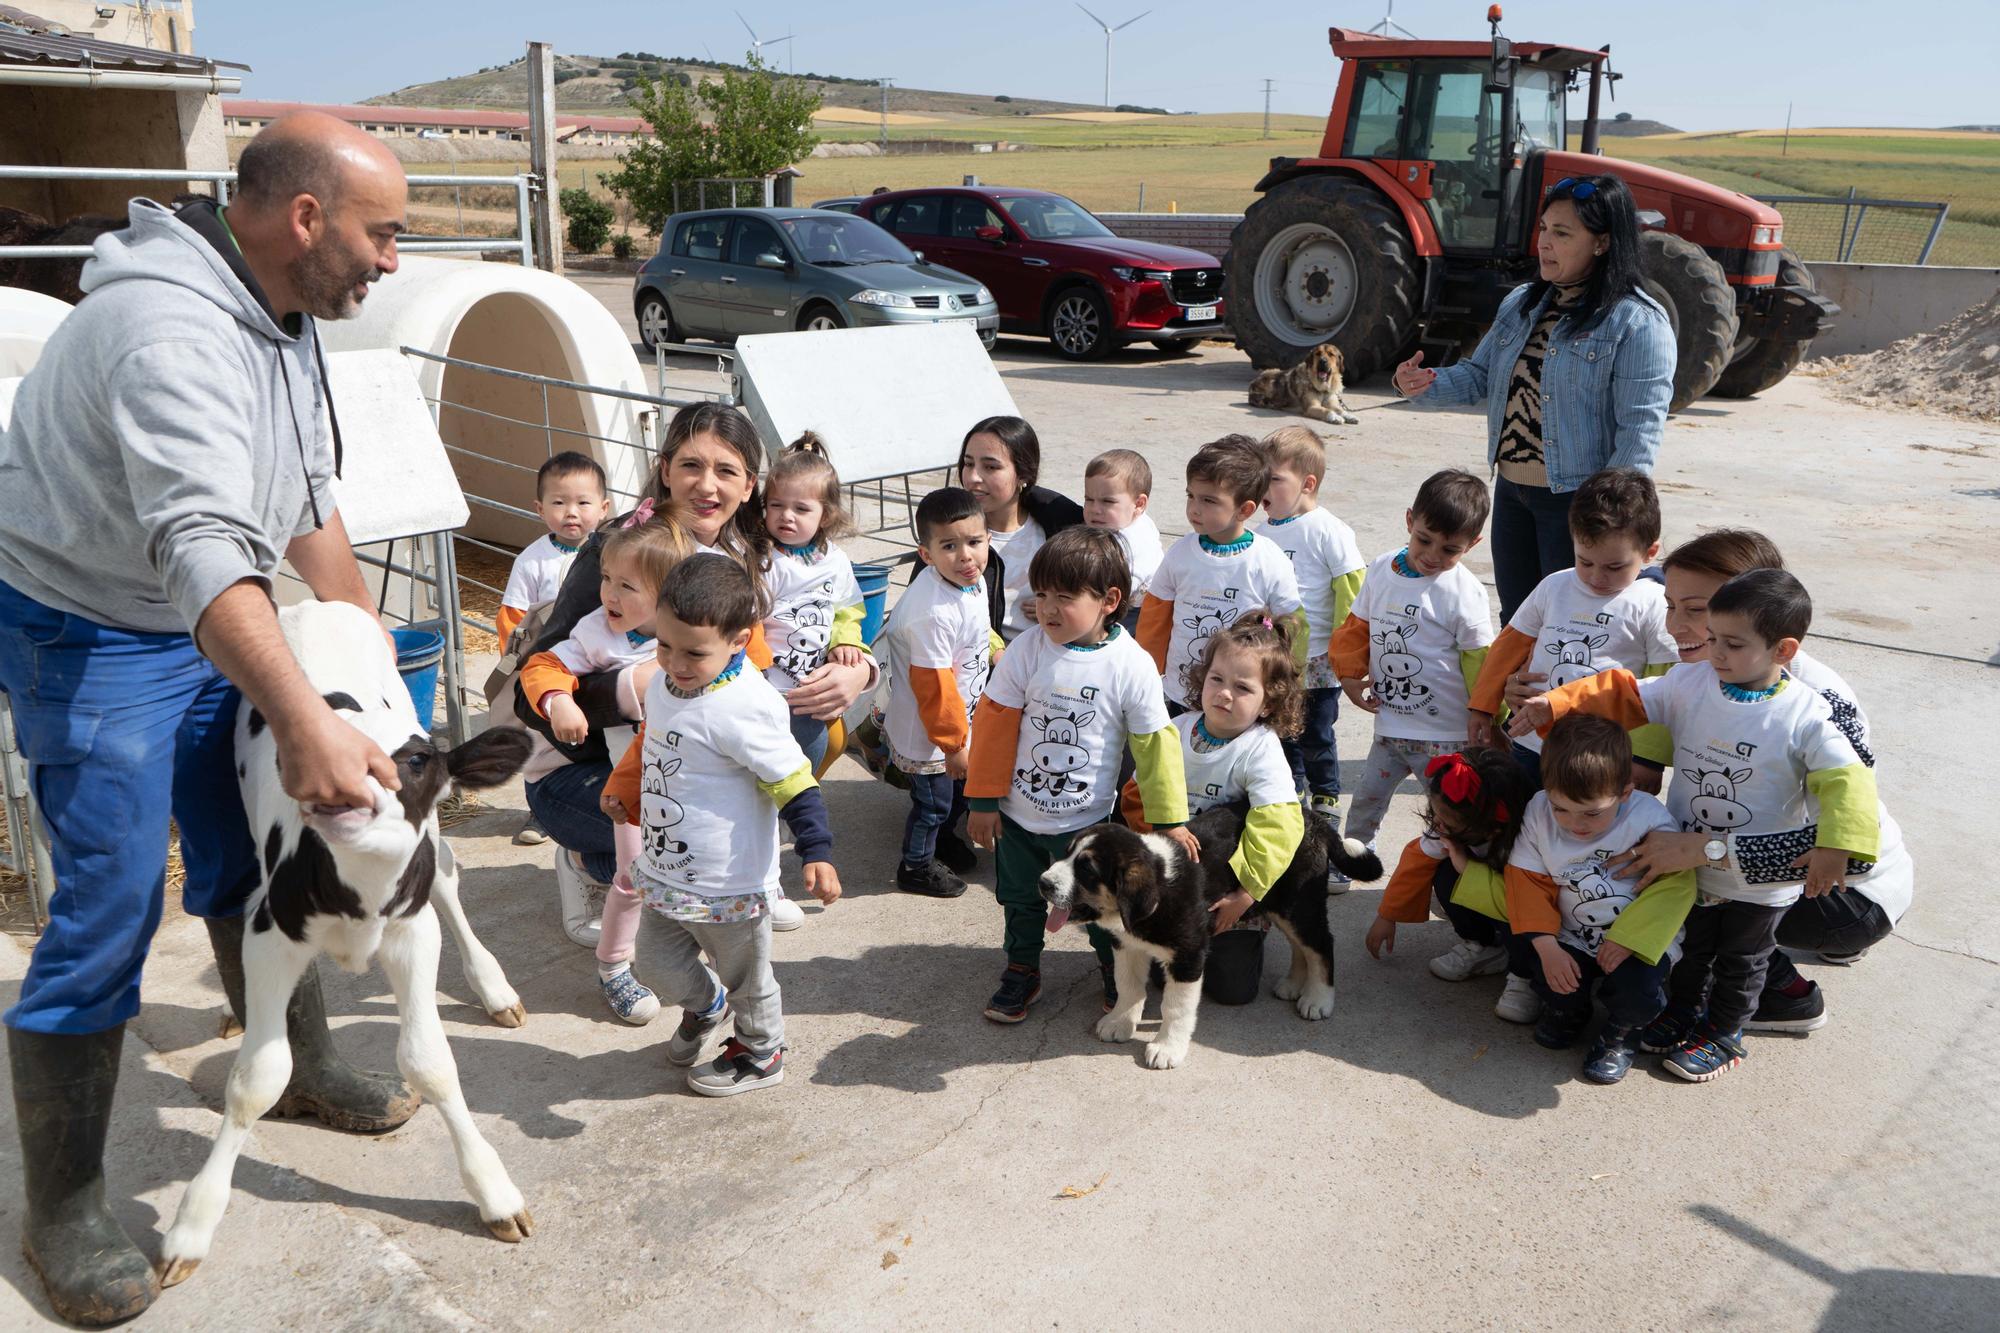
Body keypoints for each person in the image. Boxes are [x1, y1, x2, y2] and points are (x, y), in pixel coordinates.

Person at [0, 112, 413, 1324]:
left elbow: (302, 498)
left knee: (242, 852)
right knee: (112, 900)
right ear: (304, 219)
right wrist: (298, 715)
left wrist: (358, 663)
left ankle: (292, 1061)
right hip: (93, 621)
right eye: (382, 234)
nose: (393, 261)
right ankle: (65, 1205)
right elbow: (194, 541)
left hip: (202, 605)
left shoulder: (280, 310)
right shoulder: (169, 330)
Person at [1516, 529, 1913, 1035]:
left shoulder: (1817, 705)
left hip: (1844, 894)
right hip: (1733, 853)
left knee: (1718, 935)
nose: (1674, 626)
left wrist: (1703, 853)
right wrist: (1550, 700)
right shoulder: (1709, 675)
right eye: (1669, 605)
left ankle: (1785, 997)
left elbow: (1851, 847)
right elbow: (1631, 707)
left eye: (1695, 609)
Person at [522, 403, 879, 936]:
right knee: (684, 825)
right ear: (664, 470)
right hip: (586, 766)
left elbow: (821, 609)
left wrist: (860, 669)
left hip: (678, 748)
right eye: (691, 466)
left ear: (749, 484)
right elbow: (532, 692)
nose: (706, 486)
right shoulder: (624, 550)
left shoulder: (753, 546)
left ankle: (743, 878)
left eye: (726, 471)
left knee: (794, 727)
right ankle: (584, 864)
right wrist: (632, 687)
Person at [598, 555, 841, 1097]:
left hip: (729, 885)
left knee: (749, 982)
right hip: (665, 871)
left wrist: (816, 851)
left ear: (739, 639)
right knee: (656, 964)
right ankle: (706, 1008)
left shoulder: (746, 707)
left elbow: (794, 782)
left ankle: (761, 1052)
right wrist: (625, 791)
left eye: (693, 652)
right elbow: (656, 744)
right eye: (664, 645)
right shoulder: (665, 686)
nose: (675, 662)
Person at [1392, 174, 1676, 623]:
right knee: (1520, 622)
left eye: (1562, 233)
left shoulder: (1637, 322)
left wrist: (1612, 520)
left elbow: (1640, 430)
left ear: (1602, 243)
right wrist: (1424, 383)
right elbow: (1479, 376)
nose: (1544, 242)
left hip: (1577, 504)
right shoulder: (1523, 303)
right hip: (1512, 495)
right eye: (1544, 228)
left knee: (1574, 626)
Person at [966, 527, 1193, 1021]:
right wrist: (983, 801)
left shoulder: (1131, 665)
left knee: (1096, 912)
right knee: (1021, 902)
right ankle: (1021, 969)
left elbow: (1154, 747)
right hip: (1018, 820)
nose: (1046, 608)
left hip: (1086, 828)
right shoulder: (1027, 650)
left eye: (1064, 598)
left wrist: (1170, 819)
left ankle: (1114, 971)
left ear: (1110, 600)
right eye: (1041, 593)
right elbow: (994, 723)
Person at [516, 515, 683, 958]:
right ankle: (592, 882)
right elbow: (542, 666)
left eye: (627, 586)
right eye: (608, 578)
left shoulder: (690, 628)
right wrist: (559, 701)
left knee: (687, 843)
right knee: (643, 857)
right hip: (616, 777)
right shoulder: (598, 631)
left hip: (671, 766)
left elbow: (745, 650)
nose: (609, 592)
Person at [1503, 715, 1695, 1084]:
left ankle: (1622, 1033)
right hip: (1572, 932)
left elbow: (1675, 886)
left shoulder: (1649, 817)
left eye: (1592, 812)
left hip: (1638, 935)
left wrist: (1631, 938)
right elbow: (1527, 879)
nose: (1576, 824)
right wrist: (1545, 944)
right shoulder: (1539, 809)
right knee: (1547, 972)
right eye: (1562, 808)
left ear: (1625, 792)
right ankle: (1568, 1013)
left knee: (1636, 989)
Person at [1467, 467, 1677, 788]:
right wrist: (1484, 706)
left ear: (1650, 552)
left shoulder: (1654, 602)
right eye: (1585, 561)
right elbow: (1509, 646)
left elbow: (1662, 684)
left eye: (1614, 567)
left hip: (1599, 756)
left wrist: (1648, 759)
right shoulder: (1555, 585)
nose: (1596, 578)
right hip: (1528, 742)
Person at [1332, 470, 1496, 852]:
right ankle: (1355, 855)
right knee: (1367, 799)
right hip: (1389, 726)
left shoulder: (1464, 591)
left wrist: (1486, 711)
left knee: (1453, 811)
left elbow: (1481, 661)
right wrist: (1351, 675)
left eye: (1449, 550)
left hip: (1446, 737)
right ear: (1409, 520)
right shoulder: (1380, 569)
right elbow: (1358, 625)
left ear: (1472, 544)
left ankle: (1459, 867)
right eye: (1424, 540)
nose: (1432, 557)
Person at [1123, 618, 1307, 943]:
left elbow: (1279, 826)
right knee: (1163, 971)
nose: (1224, 693)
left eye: (1242, 687)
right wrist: (1156, 831)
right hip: (1172, 872)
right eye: (1216, 679)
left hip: (1228, 881)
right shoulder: (1176, 729)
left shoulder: (1260, 747)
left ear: (1268, 704)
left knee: (1232, 990)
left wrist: (1247, 893)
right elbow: (1137, 791)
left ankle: (1250, 928)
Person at [1252, 426, 1367, 856]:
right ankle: (1294, 817)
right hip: (1275, 661)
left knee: (1316, 737)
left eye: (1274, 478)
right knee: (1281, 736)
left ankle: (1327, 812)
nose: (1264, 488)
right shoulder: (1261, 535)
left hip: (1319, 660)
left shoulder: (1327, 530)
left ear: (1308, 483)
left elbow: (1351, 591)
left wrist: (1346, 651)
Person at [1364, 749, 1538, 1023]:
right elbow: (1415, 864)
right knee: (1443, 875)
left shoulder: (1530, 841)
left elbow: (1524, 906)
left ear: (1492, 826)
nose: (1436, 823)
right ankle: (1485, 946)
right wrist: (1387, 915)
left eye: (1447, 820)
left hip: (1525, 908)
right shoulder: (1448, 825)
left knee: (1518, 916)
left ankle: (1526, 975)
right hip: (1494, 896)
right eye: (1435, 811)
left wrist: (1466, 867)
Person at [490, 451, 609, 847]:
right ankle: (539, 809)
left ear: (604, 507)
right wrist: (519, 663)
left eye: (583, 502)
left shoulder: (612, 552)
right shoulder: (532, 561)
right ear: (540, 509)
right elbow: (513, 616)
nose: (570, 513)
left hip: (593, 662)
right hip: (545, 666)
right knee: (540, 737)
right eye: (558, 503)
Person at [881, 487, 995, 899]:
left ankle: (943, 841)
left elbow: (977, 630)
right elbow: (935, 687)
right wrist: (952, 746)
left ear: (988, 539)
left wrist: (995, 650)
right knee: (931, 805)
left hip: (959, 721)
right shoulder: (932, 613)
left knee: (956, 796)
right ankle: (916, 865)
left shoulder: (969, 583)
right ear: (925, 554)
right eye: (949, 546)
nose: (965, 556)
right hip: (932, 736)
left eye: (974, 542)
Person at [1137, 436, 1306, 715]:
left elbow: (1291, 626)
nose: (1194, 507)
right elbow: (1155, 620)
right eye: (1190, 495)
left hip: (1238, 701)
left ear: (1245, 509)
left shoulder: (1269, 560)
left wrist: (1287, 685)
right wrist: (1147, 672)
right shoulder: (1180, 553)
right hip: (1182, 696)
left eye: (1209, 500)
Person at [761, 431, 865, 775]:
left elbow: (847, 607)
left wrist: (846, 640)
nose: (786, 516)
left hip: (813, 688)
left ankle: (795, 819)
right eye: (776, 505)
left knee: (811, 755)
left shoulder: (834, 560)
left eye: (801, 508)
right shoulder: (766, 560)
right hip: (770, 688)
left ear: (827, 515)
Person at [958, 415, 1083, 642]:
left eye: (990, 467)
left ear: (1023, 474)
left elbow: (1098, 599)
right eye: (968, 464)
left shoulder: (1065, 527)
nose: (974, 477)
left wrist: (1058, 607)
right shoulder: (948, 531)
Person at [1082, 447, 1163, 628]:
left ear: (1139, 504)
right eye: (1089, 499)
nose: (1095, 509)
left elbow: (1124, 586)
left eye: (1107, 502)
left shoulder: (1135, 541)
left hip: (1134, 611)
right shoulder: (1123, 522)